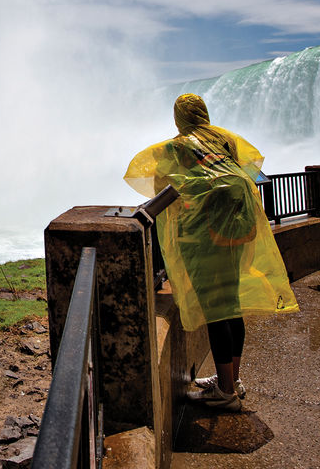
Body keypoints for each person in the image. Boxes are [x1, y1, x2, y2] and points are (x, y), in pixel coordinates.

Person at [124, 94, 298, 411]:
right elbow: (249, 165)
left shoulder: (174, 148)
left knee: (216, 310)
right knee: (231, 304)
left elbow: (160, 184)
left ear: (178, 117)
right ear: (203, 112)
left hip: (204, 236)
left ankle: (226, 393)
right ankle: (232, 378)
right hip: (238, 228)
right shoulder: (224, 139)